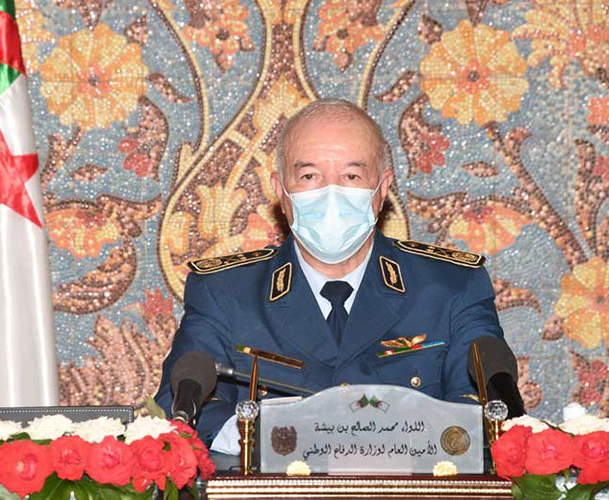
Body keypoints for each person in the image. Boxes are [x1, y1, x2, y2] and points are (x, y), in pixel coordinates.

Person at [155, 98, 504, 452]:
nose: (331, 194)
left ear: (382, 188)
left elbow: (482, 410)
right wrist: (276, 441)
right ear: (281, 191)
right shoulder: (225, 292)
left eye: (352, 176)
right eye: (310, 176)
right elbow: (182, 403)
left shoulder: (452, 287)